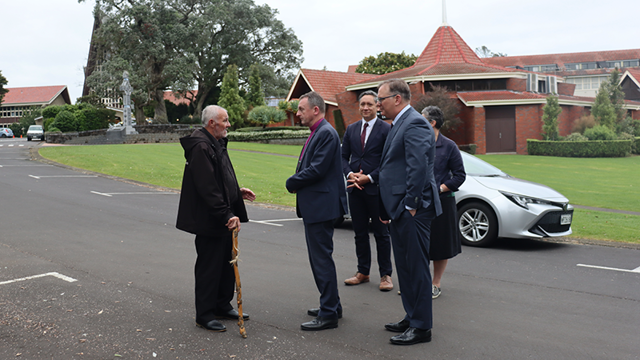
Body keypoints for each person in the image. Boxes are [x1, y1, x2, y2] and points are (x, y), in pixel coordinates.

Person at [176, 105, 256, 333]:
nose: (228, 125)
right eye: (225, 120)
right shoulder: (201, 146)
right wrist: (227, 214)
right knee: (209, 267)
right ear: (212, 123)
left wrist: (235, 192)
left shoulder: (215, 143)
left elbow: (219, 177)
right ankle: (205, 314)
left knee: (225, 265)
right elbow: (207, 188)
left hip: (220, 216)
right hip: (210, 219)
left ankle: (222, 304)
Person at [376, 79, 441, 345]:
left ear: (398, 99)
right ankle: (412, 315)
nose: (378, 103)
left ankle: (422, 327)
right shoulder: (399, 123)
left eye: (381, 99)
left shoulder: (414, 123)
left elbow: (418, 167)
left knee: (415, 268)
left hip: (413, 209)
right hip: (399, 208)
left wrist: (411, 205)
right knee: (404, 266)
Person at [286, 91, 348, 331]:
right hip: (319, 206)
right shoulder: (319, 132)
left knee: (321, 260)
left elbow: (317, 169)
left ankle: (329, 313)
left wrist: (293, 182)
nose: (298, 113)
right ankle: (332, 305)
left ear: (315, 109)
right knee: (321, 259)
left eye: (301, 109)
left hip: (322, 208)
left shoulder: (325, 133)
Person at [341, 90, 393, 291]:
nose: (365, 108)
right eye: (362, 104)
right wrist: (349, 174)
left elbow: (389, 161)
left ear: (377, 106)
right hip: (355, 190)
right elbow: (343, 157)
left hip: (377, 191)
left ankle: (385, 275)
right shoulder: (352, 129)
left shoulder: (386, 130)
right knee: (359, 233)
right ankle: (362, 272)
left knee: (381, 234)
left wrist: (370, 177)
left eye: (369, 104)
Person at [421, 106, 466, 299]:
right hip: (419, 202)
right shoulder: (417, 143)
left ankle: (435, 283)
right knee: (418, 244)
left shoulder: (449, 146)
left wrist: (440, 188)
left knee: (440, 245)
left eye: (421, 118)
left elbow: (459, 176)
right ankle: (418, 282)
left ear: (432, 122)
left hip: (442, 202)